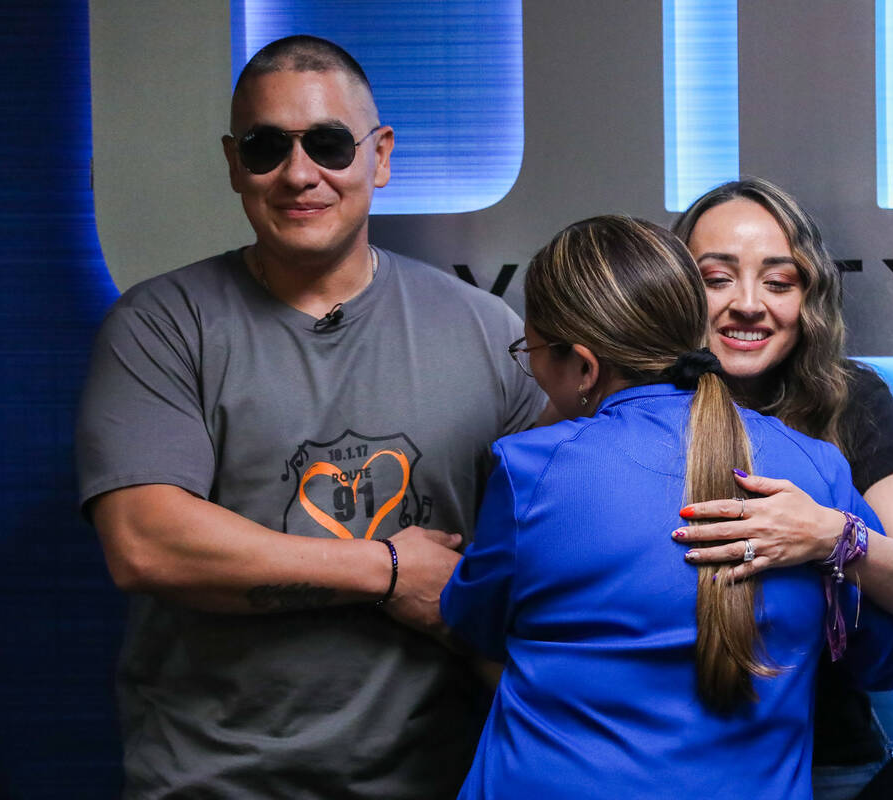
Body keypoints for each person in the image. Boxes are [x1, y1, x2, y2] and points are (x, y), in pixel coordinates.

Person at [75, 36, 543, 799]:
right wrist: (390, 571)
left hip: (439, 775)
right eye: (266, 148)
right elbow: (146, 543)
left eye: (327, 144)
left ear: (380, 156)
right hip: (215, 782)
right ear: (233, 164)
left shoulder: (489, 334)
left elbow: (540, 560)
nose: (299, 174)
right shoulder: (161, 325)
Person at [439, 216, 893, 799]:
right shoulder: (818, 466)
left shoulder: (529, 469)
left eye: (531, 352)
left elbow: (471, 623)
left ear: (582, 364)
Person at [669, 178, 893, 799]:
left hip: (829, 767)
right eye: (716, 279)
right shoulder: (633, 408)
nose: (748, 304)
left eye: (779, 282)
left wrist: (829, 535)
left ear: (810, 297)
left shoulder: (852, 399)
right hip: (672, 762)